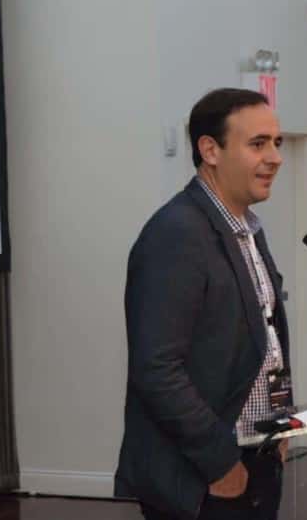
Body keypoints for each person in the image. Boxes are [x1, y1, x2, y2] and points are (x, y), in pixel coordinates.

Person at [115, 88, 293, 520]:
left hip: (257, 453)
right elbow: (157, 369)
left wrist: (283, 419)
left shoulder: (247, 229)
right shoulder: (177, 234)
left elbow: (266, 342)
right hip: (205, 471)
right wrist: (219, 462)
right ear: (210, 150)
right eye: (258, 144)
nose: (275, 158)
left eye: (277, 143)